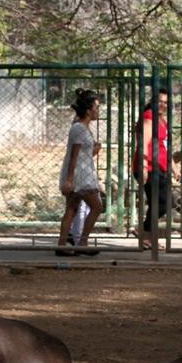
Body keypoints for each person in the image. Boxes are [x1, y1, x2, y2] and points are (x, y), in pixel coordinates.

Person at [56, 88, 104, 256]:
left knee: (72, 209)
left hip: (81, 173)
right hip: (80, 176)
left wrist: (94, 149)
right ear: (89, 109)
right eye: (96, 107)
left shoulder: (82, 127)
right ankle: (82, 242)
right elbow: (73, 156)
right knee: (97, 207)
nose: (98, 111)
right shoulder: (80, 129)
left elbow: (83, 154)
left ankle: (62, 245)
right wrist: (69, 179)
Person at [132, 88, 174, 250]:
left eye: (165, 102)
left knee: (160, 203)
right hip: (149, 166)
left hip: (159, 167)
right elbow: (143, 142)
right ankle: (144, 232)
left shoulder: (161, 120)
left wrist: (174, 167)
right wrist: (143, 167)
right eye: (160, 101)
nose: (163, 105)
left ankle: (147, 236)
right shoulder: (149, 117)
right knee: (163, 203)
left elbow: (164, 146)